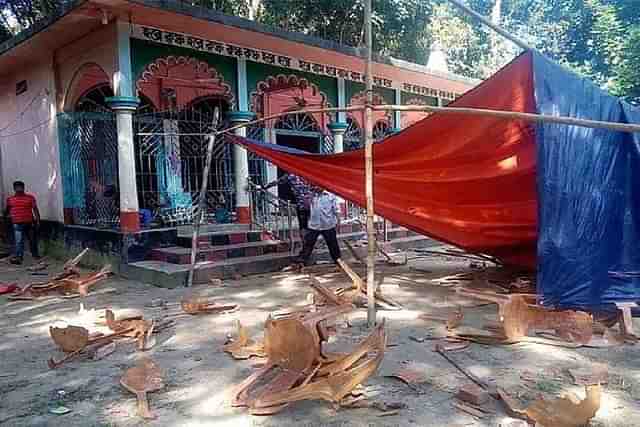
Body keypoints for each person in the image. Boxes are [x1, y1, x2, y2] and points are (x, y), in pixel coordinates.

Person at [296, 187, 342, 266]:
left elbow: (336, 210)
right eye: (313, 185)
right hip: (314, 225)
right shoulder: (311, 195)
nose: (315, 187)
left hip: (328, 224)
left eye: (317, 185)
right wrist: (309, 198)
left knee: (333, 244)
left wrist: (338, 222)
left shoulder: (331, 196)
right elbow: (305, 208)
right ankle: (301, 261)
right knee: (308, 244)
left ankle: (338, 260)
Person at [4, 181, 40, 264]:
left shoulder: (30, 198)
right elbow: (7, 210)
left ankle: (35, 255)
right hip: (17, 223)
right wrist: (4, 219)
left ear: (23, 188)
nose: (19, 189)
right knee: (19, 240)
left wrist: (38, 220)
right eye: (17, 187)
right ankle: (19, 257)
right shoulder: (10, 199)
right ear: (14, 189)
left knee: (32, 239)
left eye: (20, 187)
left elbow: (35, 209)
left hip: (29, 222)